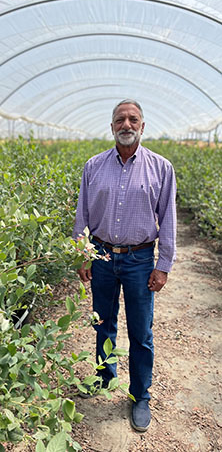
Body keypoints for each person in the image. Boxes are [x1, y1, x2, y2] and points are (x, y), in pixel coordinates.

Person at [73, 99, 176, 432]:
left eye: (133, 119)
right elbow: (82, 216)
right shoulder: (93, 166)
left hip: (140, 260)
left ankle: (139, 395)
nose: (126, 125)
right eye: (120, 120)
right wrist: (82, 254)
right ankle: (105, 377)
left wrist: (163, 264)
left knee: (141, 332)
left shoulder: (161, 168)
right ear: (112, 126)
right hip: (102, 256)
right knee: (103, 323)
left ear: (142, 127)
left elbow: (169, 220)